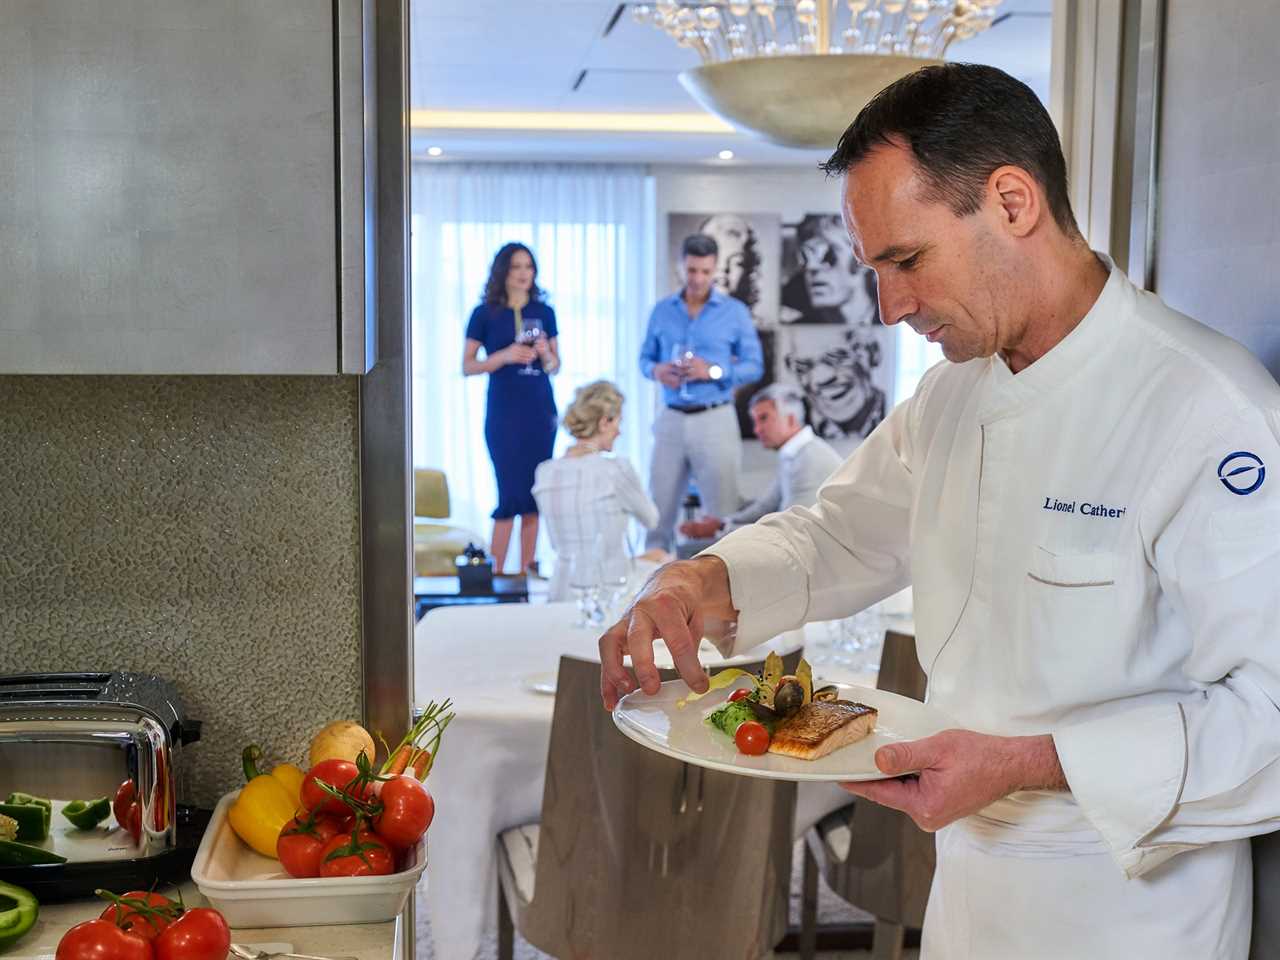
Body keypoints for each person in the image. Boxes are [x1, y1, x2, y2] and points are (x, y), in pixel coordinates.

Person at [599, 63, 1280, 959]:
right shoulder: (953, 395)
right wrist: (704, 577)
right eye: (875, 269)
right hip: (965, 895)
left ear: (1011, 201)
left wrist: (1031, 762)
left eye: (907, 260)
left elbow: (1270, 713)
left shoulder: (1210, 410)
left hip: (1132, 907)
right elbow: (838, 534)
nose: (890, 308)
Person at [639, 233, 764, 552]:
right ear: (681, 266)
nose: (698, 279)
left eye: (705, 272)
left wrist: (714, 371)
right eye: (692, 270)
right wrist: (657, 371)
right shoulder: (662, 311)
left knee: (721, 515)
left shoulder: (734, 312)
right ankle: (650, 592)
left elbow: (754, 366)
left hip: (715, 419)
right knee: (657, 513)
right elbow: (644, 360)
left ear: (715, 270)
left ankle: (721, 593)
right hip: (670, 419)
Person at [462, 242, 561, 575]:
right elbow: (467, 365)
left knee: (535, 493)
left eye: (528, 267)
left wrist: (546, 353)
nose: (523, 273)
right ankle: (497, 574)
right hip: (504, 412)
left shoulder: (545, 312)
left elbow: (555, 366)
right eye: (516, 267)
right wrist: (503, 356)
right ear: (503, 271)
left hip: (540, 411)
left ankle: (527, 572)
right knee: (508, 493)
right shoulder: (484, 313)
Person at [532, 381, 659, 602]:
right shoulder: (616, 469)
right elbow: (651, 520)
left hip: (560, 593)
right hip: (609, 592)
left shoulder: (544, 471)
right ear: (604, 422)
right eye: (619, 422)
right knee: (663, 560)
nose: (619, 431)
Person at [679, 384, 841, 539]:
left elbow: (787, 530)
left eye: (763, 418)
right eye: (755, 421)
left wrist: (721, 529)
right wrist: (724, 523)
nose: (757, 429)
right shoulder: (795, 454)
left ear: (790, 420)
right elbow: (765, 506)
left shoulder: (808, 461)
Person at [784, 327, 888, 440]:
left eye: (837, 356)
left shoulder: (898, 417)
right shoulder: (793, 420)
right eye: (803, 365)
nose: (821, 379)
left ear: (871, 353)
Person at [781, 213, 879, 325]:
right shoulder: (796, 327)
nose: (811, 268)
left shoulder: (893, 323)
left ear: (862, 262)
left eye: (827, 255)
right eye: (805, 257)